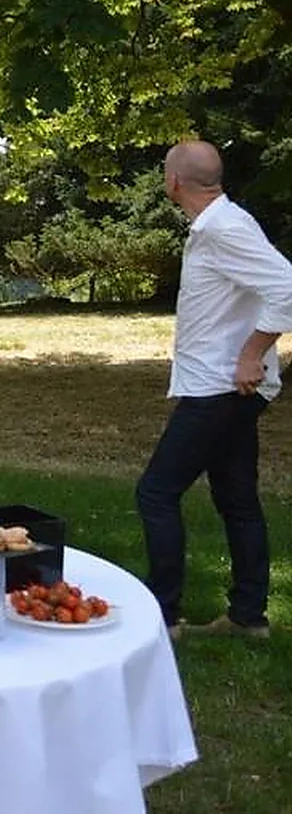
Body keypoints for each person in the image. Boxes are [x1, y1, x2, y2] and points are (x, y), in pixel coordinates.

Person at [136, 140, 292, 640]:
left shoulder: (224, 227)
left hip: (221, 387)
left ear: (174, 182)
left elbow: (287, 285)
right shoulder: (218, 226)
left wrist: (253, 353)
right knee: (236, 496)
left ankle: (163, 616)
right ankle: (248, 618)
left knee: (156, 492)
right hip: (224, 386)